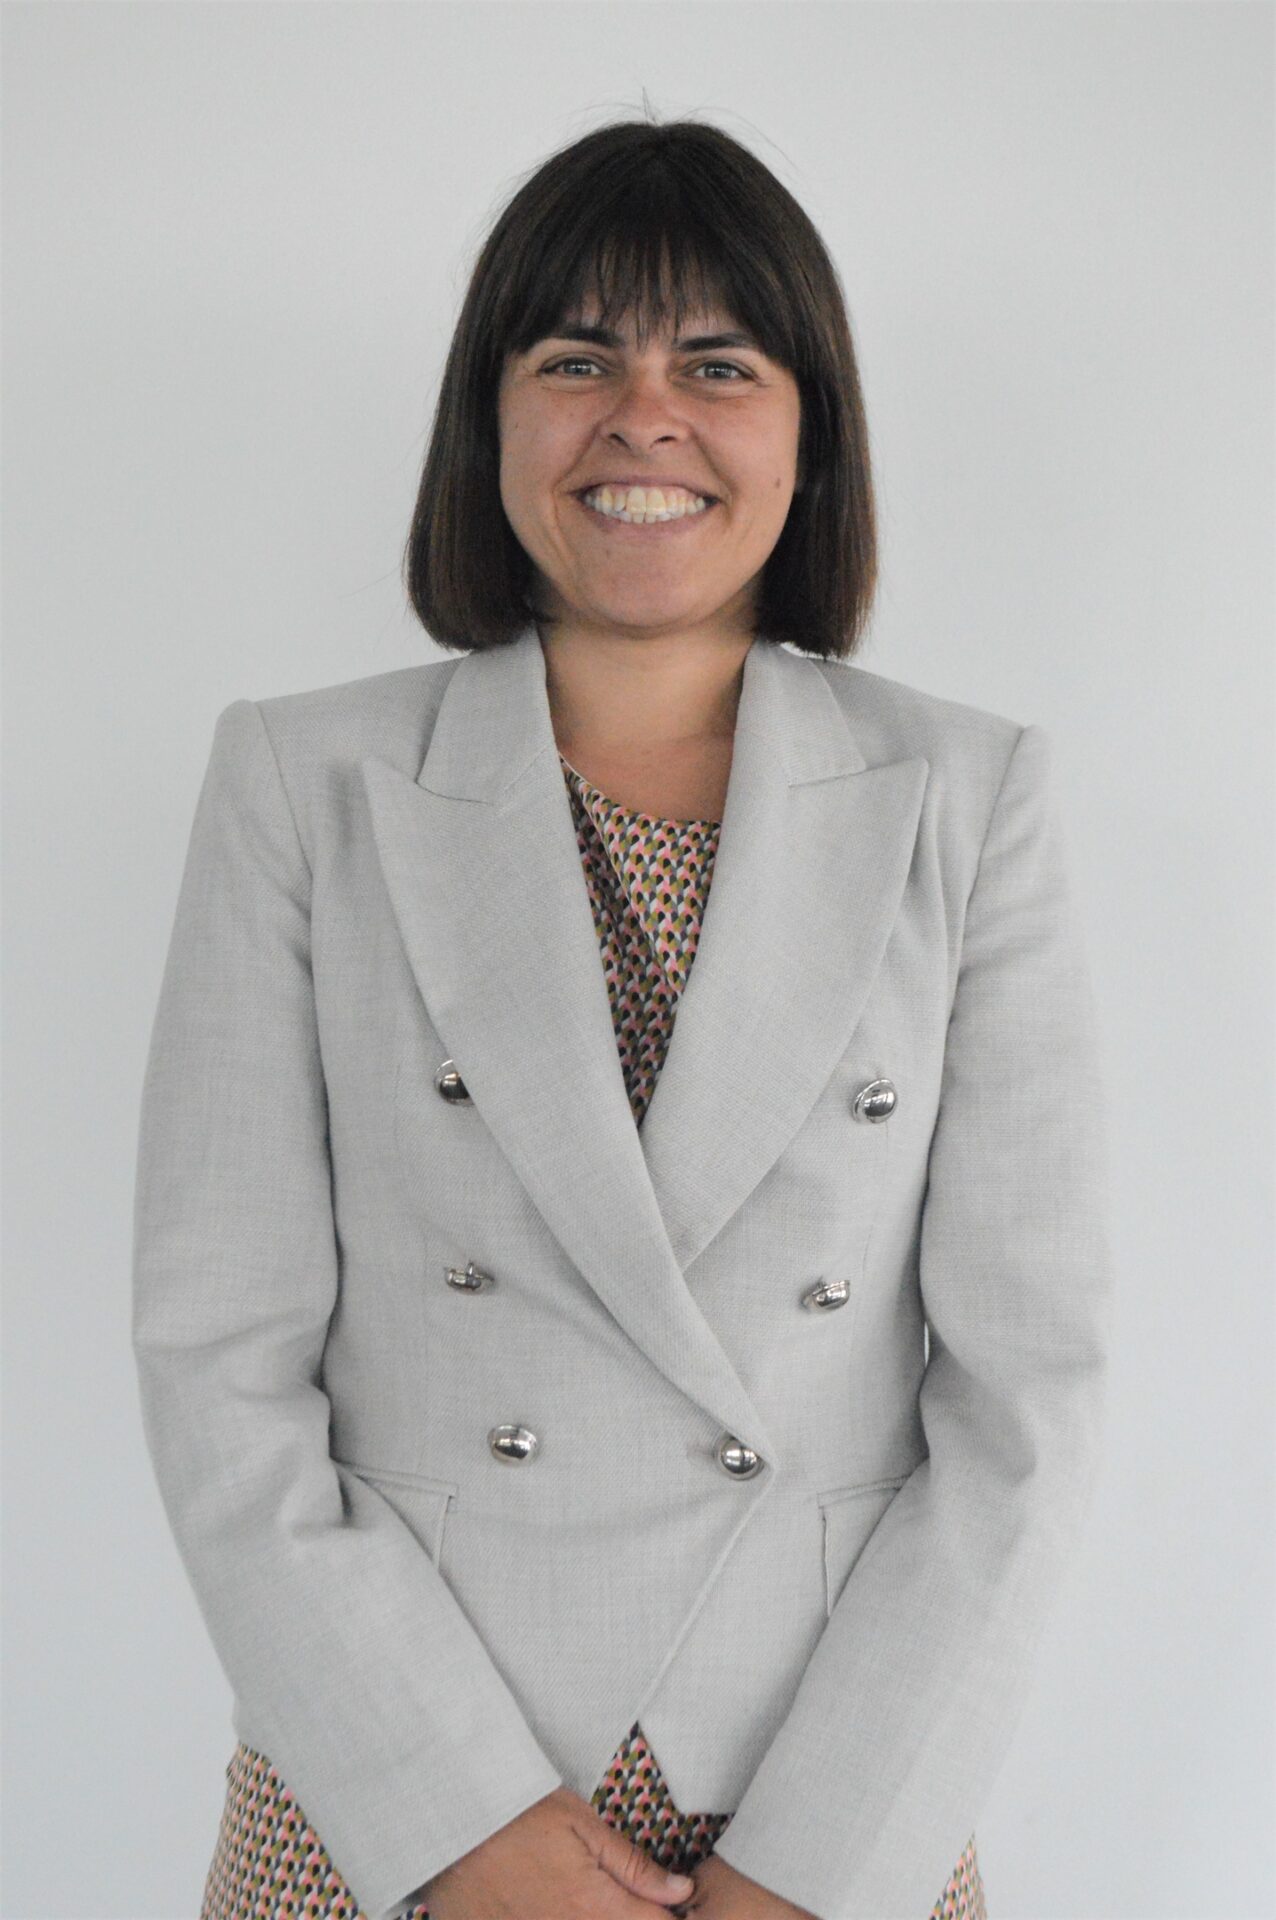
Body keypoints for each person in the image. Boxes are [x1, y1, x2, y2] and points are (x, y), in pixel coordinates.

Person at [132, 113, 1113, 1920]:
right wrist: (456, 1821)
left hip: (832, 1803)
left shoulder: (969, 800)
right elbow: (220, 1355)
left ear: (810, 435)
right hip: (385, 1801)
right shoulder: (302, 781)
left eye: (718, 366)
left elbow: (1026, 1401)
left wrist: (820, 1866)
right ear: (489, 422)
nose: (643, 418)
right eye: (577, 359)